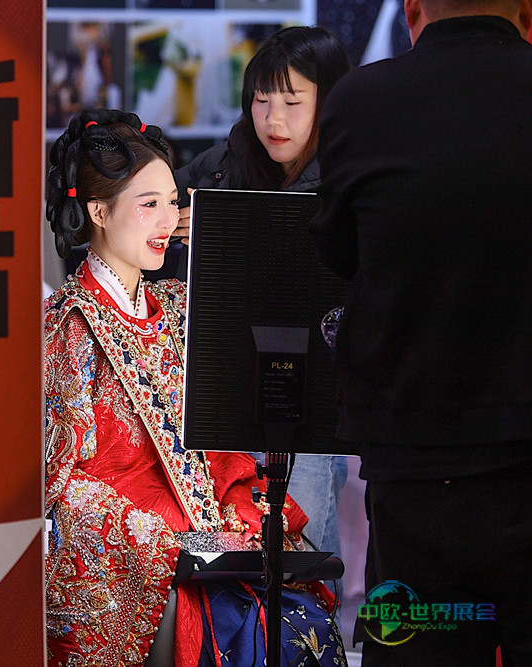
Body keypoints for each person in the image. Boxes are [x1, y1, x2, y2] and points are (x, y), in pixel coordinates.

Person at [44, 108, 345, 667]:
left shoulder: (181, 307)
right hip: (137, 548)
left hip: (204, 528)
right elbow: (62, 482)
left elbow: (217, 440)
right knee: (248, 632)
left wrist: (232, 513)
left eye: (172, 202)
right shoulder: (68, 326)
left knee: (297, 614)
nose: (167, 220)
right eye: (148, 204)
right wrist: (166, 540)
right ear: (99, 212)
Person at [309, 0, 532, 663]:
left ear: (411, 14)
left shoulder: (360, 103)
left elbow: (337, 254)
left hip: (412, 476)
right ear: (526, 14)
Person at [174, 26, 353, 592]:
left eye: (293, 102)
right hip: (219, 396)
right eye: (260, 99)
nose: (273, 119)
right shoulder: (221, 164)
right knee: (226, 567)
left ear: (330, 100)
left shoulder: (352, 176)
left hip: (311, 400)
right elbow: (148, 229)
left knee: (304, 568)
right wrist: (167, 228)